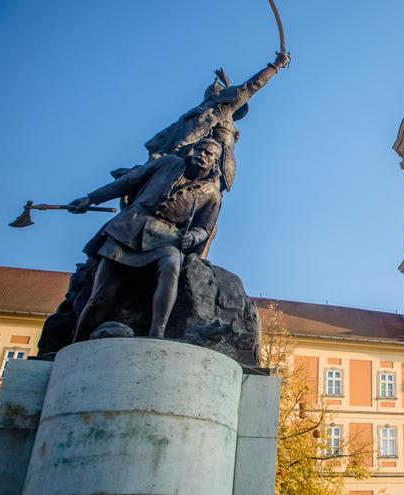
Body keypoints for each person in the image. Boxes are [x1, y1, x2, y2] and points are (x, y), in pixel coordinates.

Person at [67, 139, 224, 341]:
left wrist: (193, 237)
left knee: (171, 264)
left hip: (167, 237)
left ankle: (157, 331)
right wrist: (91, 198)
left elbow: (205, 227)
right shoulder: (168, 163)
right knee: (101, 296)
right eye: (200, 149)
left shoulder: (211, 194)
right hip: (128, 228)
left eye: (209, 154)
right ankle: (76, 343)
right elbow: (128, 181)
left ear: (215, 162)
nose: (202, 155)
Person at [144, 51, 289, 191]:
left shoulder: (219, 108)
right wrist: (276, 66)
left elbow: (251, 86)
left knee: (211, 195)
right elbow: (251, 86)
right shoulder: (196, 113)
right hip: (184, 160)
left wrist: (276, 65)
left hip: (208, 167)